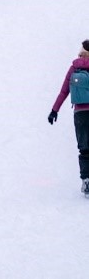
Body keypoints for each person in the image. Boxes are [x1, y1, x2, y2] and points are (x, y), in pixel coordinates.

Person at [48, 39, 89, 196]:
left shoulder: (75, 67)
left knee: (84, 147)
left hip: (80, 113)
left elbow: (64, 91)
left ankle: (86, 181)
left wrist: (54, 110)